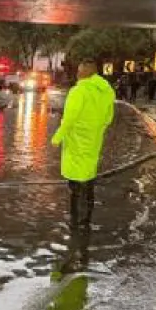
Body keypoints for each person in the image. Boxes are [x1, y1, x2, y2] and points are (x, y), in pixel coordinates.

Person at [51, 58, 116, 227]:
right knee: (88, 179)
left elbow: (69, 118)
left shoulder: (78, 91)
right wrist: (96, 129)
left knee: (75, 182)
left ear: (85, 72)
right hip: (94, 140)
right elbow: (108, 118)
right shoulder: (107, 91)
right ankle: (86, 219)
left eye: (80, 71)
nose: (78, 73)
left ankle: (74, 220)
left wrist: (58, 136)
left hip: (76, 141)